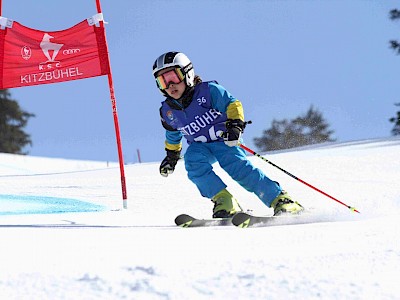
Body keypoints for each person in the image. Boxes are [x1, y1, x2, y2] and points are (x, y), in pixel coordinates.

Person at [153, 51, 304, 218]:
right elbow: (173, 133)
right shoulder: (168, 111)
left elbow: (232, 104)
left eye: (173, 77)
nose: (170, 85)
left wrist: (235, 126)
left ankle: (281, 200)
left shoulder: (208, 91)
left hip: (224, 140)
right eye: (163, 81)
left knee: (238, 169)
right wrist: (171, 156)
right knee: (192, 162)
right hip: (200, 147)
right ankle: (224, 200)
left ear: (187, 73)